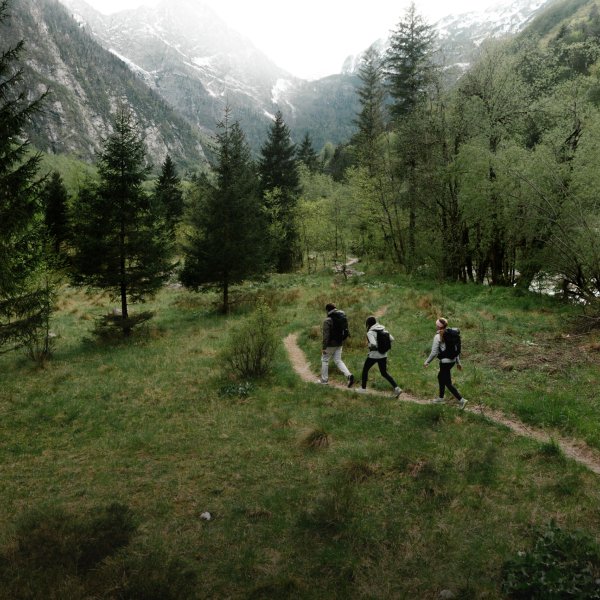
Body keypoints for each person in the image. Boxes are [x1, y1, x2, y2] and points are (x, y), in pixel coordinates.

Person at [423, 317, 467, 409]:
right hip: (452, 361)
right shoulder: (451, 334)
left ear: (438, 327)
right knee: (440, 377)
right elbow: (455, 351)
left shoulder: (438, 336)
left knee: (447, 382)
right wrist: (458, 363)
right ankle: (441, 398)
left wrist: (427, 362)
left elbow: (434, 352)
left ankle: (461, 400)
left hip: (445, 362)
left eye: (436, 325)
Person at [356, 316, 402, 397]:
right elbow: (392, 339)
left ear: (368, 324)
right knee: (384, 373)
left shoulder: (370, 332)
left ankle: (363, 389)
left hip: (374, 355)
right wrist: (382, 346)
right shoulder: (382, 329)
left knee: (365, 370)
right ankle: (397, 388)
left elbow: (373, 344)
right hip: (383, 355)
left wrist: (370, 346)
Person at [320, 303, 354, 387]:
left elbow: (326, 335)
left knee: (325, 360)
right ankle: (349, 375)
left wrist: (324, 347)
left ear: (327, 310)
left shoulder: (327, 320)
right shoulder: (341, 316)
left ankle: (324, 381)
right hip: (339, 343)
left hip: (330, 344)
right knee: (338, 360)